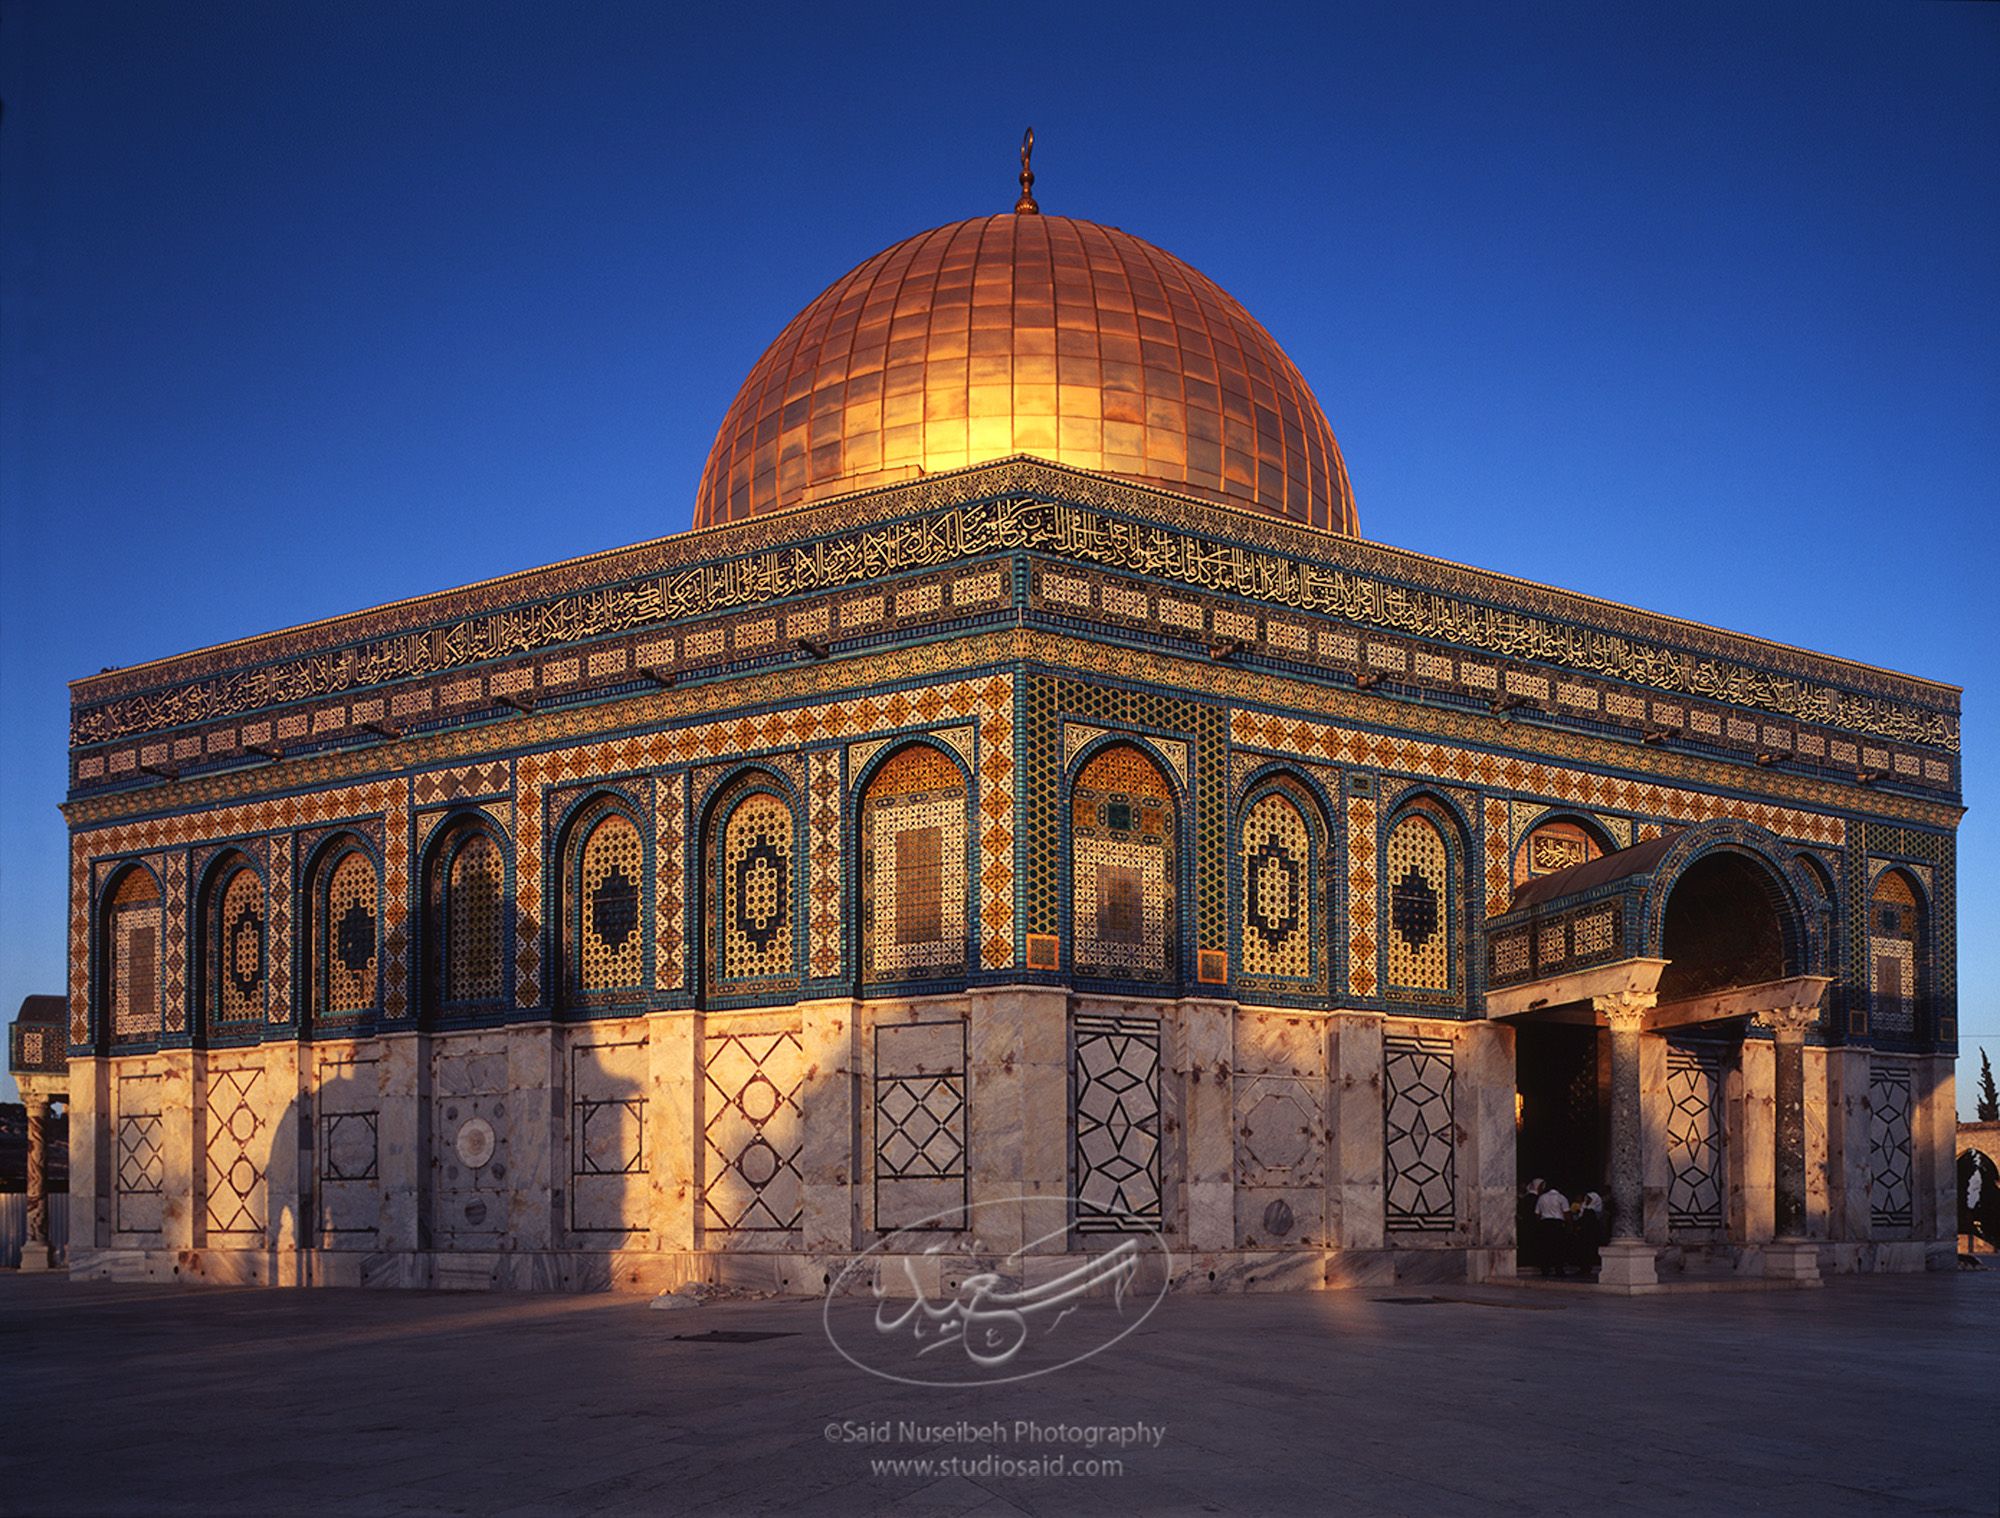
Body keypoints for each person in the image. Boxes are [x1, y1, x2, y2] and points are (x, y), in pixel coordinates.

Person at [1533, 1182, 1570, 1277]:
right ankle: (1559, 1269)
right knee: (1559, 1247)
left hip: (1545, 1223)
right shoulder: (1562, 1198)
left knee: (1546, 1247)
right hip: (1557, 1224)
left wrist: (1540, 1224)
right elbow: (1566, 1213)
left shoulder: (1542, 1198)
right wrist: (1569, 1225)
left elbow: (1537, 1213)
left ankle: (1545, 1269)